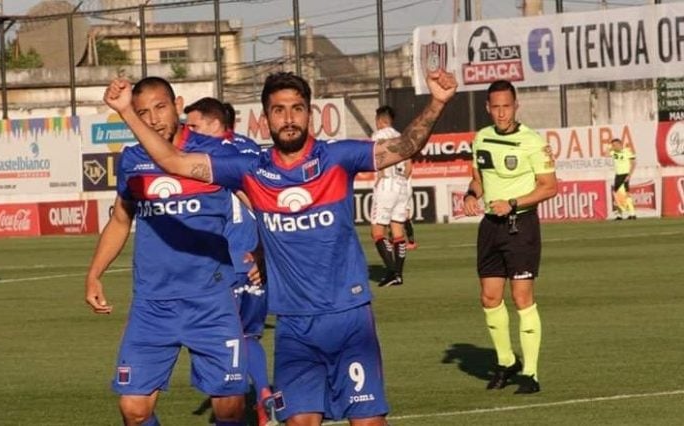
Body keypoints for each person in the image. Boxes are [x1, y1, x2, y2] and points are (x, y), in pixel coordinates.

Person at [103, 69, 457, 425]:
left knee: (368, 422)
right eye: (278, 110)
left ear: (309, 113)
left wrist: (437, 102)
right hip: (293, 327)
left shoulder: (338, 158)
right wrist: (127, 111)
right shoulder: (250, 170)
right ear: (266, 118)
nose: (288, 118)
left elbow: (406, 146)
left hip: (348, 318)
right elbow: (174, 162)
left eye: (297, 109)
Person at [85, 76, 256, 426]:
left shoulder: (213, 153)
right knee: (134, 410)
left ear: (177, 106)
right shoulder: (132, 160)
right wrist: (94, 274)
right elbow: (120, 220)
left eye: (160, 108)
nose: (153, 119)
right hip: (152, 305)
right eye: (142, 113)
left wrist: (265, 252)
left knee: (230, 409)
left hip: (210, 302)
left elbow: (261, 203)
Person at [184, 96, 276, 426]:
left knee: (220, 342)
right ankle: (265, 395)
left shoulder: (203, 158)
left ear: (214, 124)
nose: (188, 132)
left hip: (223, 263)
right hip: (257, 259)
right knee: (248, 337)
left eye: (194, 126)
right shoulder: (254, 151)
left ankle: (242, 403)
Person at [462, 79, 557, 395]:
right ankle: (506, 362)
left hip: (521, 225)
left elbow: (550, 187)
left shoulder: (532, 141)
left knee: (521, 298)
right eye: (496, 107)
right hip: (490, 227)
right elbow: (479, 179)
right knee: (489, 297)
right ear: (488, 108)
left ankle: (530, 373)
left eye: (507, 106)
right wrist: (471, 194)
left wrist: (513, 203)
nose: (502, 113)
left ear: (516, 106)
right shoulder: (481, 138)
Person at [369, 105, 412, 287]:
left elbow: (377, 158)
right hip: (402, 185)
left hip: (386, 184)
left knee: (377, 232)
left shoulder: (378, 135)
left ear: (380, 120)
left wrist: (380, 177)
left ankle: (392, 271)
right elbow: (409, 167)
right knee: (397, 232)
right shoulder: (402, 137)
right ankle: (398, 275)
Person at [609, 137, 637, 220]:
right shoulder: (613, 152)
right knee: (618, 195)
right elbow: (606, 154)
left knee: (625, 193)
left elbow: (633, 164)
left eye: (615, 145)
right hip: (617, 175)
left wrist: (629, 175)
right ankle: (620, 215)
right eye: (613, 145)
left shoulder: (627, 151)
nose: (614, 147)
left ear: (620, 144)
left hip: (625, 174)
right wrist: (610, 147)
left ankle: (632, 214)